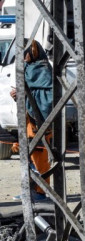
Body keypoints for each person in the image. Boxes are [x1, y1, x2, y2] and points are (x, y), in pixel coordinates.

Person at [10, 40, 52, 202]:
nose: (23, 56)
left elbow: (48, 98)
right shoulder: (27, 68)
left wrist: (25, 94)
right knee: (28, 157)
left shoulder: (43, 69)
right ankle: (30, 190)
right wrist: (17, 96)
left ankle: (40, 191)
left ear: (33, 51)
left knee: (39, 158)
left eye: (25, 52)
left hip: (39, 122)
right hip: (28, 121)